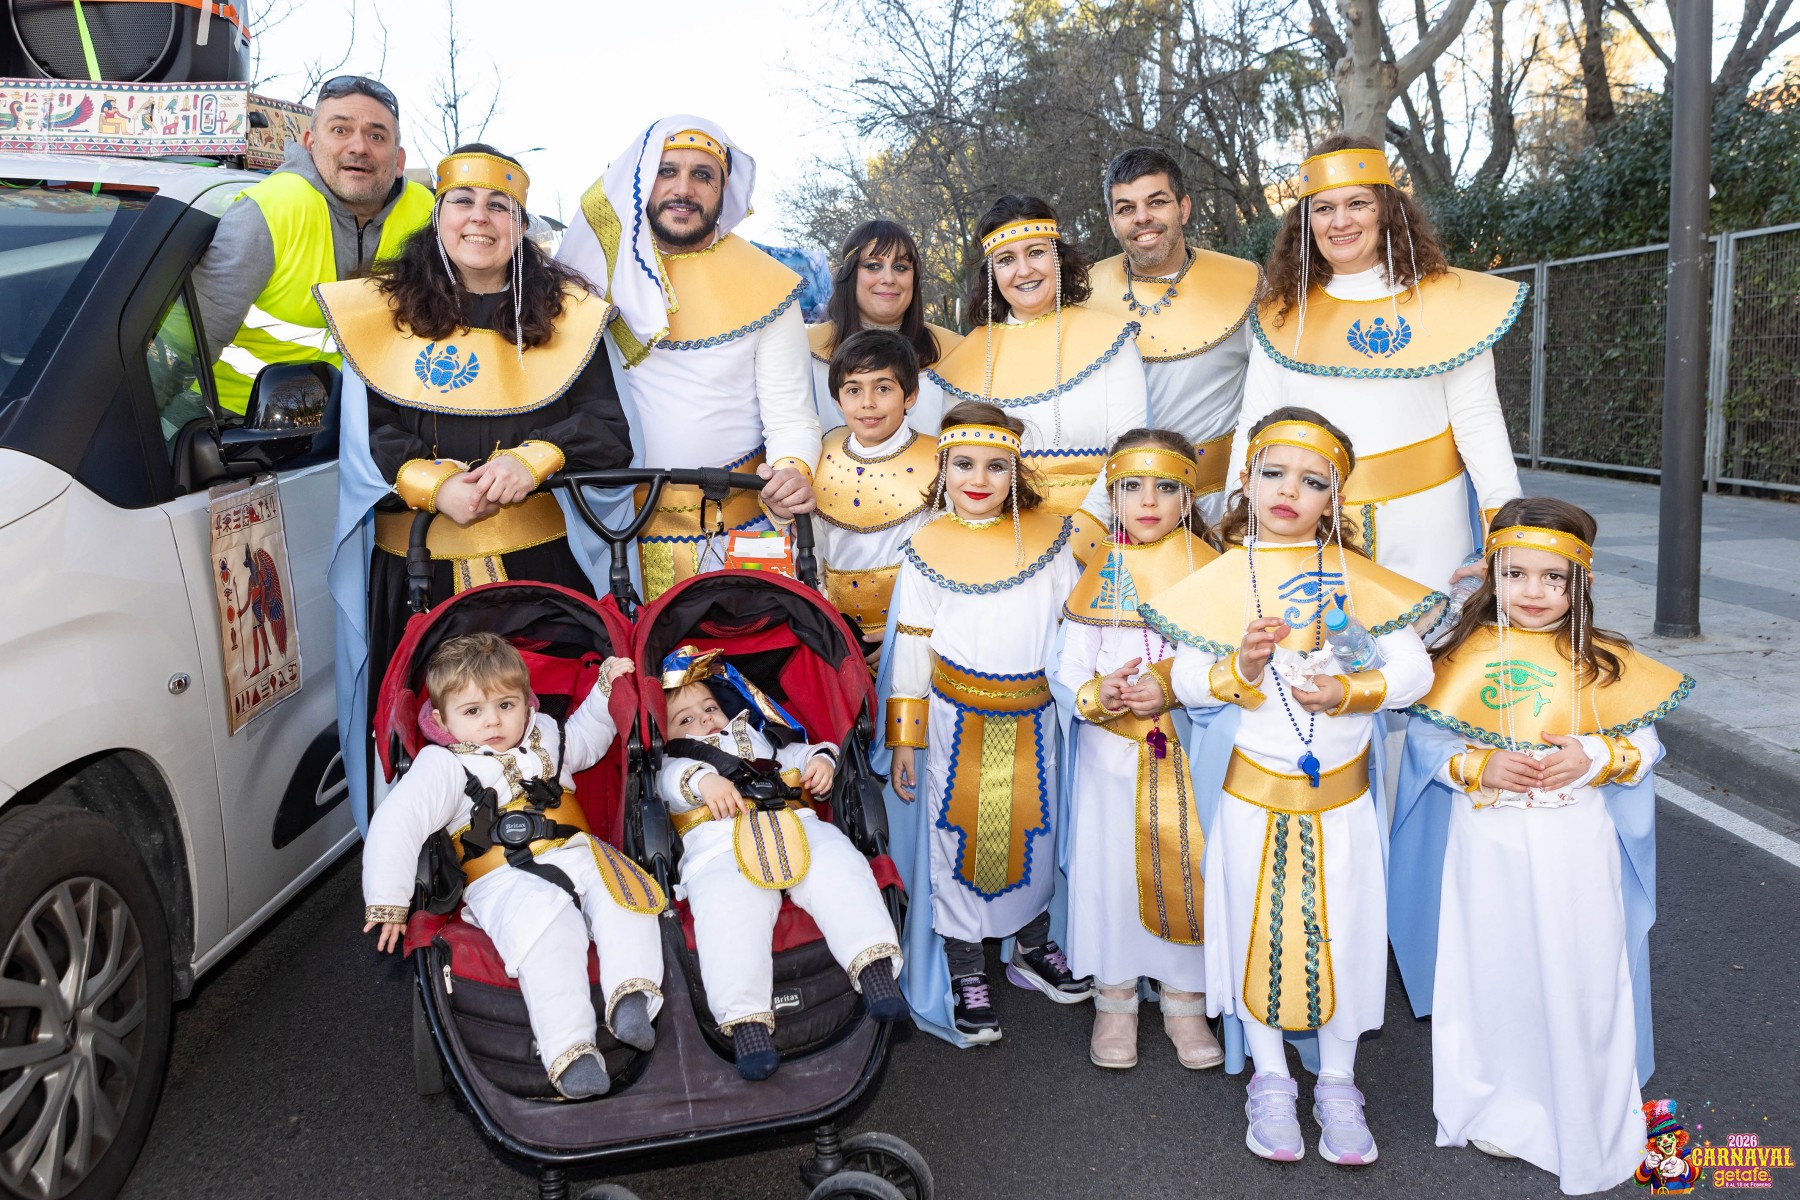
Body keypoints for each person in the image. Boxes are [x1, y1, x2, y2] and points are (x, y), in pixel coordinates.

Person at [1140, 408, 1440, 1166]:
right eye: (1273, 473)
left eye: (1311, 482)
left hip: (1342, 805)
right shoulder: (1219, 581)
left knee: (1345, 932)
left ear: (1334, 498)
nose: (1288, 491)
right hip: (1251, 801)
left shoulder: (1358, 580)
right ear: (1246, 480)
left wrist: (1350, 690)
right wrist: (1238, 666)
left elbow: (1414, 671)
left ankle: (1339, 1081)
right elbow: (1183, 678)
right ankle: (1270, 1078)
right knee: (1254, 930)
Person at [320, 144, 632, 830]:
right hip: (415, 571)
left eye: (500, 205)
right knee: (423, 737)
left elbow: (608, 429)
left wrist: (535, 460)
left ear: (522, 224)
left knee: (550, 727)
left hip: (538, 576)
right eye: (462, 201)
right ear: (438, 215)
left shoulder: (570, 316)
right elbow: (369, 432)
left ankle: (564, 858)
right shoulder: (379, 312)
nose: (480, 218)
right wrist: (434, 486)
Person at [1388, 498, 1694, 1194]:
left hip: (1575, 846)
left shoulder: (1605, 662)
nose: (1534, 591)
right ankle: (1498, 1103)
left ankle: (1582, 1110)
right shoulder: (1459, 655)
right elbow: (1430, 743)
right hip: (1486, 845)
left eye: (1553, 578)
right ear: (1491, 574)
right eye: (1516, 574)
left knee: (1578, 969)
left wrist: (1594, 756)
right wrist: (1477, 765)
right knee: (1492, 970)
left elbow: (1645, 743)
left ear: (1580, 581)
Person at [360, 633, 665, 1100]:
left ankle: (632, 997)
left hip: (575, 851)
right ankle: (571, 1051)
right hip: (502, 878)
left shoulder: (547, 736)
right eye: (473, 711)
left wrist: (605, 690)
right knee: (549, 931)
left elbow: (587, 736)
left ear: (528, 703)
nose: (493, 722)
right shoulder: (442, 765)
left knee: (626, 893)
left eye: (506, 705)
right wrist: (388, 900)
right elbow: (398, 821)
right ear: (441, 720)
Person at [1234, 134, 1524, 592]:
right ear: (1306, 222)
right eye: (1324, 208)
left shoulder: (1449, 304)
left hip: (1428, 528)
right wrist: (1239, 525)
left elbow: (1480, 422)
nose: (1341, 221)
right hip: (1307, 529)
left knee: (1430, 633)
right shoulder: (1283, 314)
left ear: (1386, 210)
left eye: (1358, 203)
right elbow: (1254, 427)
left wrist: (1509, 537)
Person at [883, 402, 1089, 1047]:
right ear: (943, 468)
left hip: (1036, 718)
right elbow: (912, 646)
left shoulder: (1051, 541)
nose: (979, 479)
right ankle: (966, 967)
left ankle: (1031, 944)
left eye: (997, 466)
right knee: (960, 839)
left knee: (1034, 833)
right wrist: (906, 740)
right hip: (956, 721)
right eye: (964, 464)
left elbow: (1073, 630)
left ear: (1016, 471)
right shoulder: (924, 549)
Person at [558, 115, 821, 601]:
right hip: (615, 539)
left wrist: (792, 472)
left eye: (702, 175)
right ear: (641, 181)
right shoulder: (592, 280)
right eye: (666, 171)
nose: (683, 188)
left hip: (738, 535)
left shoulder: (769, 284)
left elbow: (791, 415)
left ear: (724, 190)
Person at [1052, 429, 1222, 1071]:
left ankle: (1185, 1003)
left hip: (1186, 753)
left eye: (1165, 487)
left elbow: (1228, 666)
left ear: (1188, 497)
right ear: (1112, 495)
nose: (1148, 501)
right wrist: (1098, 693)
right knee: (1111, 875)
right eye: (1131, 487)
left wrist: (1172, 689)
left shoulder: (1213, 572)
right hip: (1109, 759)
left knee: (1189, 869)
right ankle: (1114, 1001)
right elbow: (1068, 667)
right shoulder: (1098, 570)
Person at [655, 646, 906, 1081]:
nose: (704, 721)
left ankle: (874, 967)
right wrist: (703, 780)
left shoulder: (752, 734)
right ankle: (747, 1022)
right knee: (728, 912)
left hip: (792, 826)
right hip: (722, 849)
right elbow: (667, 781)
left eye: (709, 708)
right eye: (685, 719)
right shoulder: (677, 761)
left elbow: (794, 753)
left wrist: (819, 760)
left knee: (840, 866)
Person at [925, 196, 1148, 563]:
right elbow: (956, 470)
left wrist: (1080, 541)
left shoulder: (1113, 341)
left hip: (1097, 547)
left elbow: (1128, 450)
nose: (1024, 270)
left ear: (1058, 257)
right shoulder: (964, 362)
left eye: (1036, 252)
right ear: (991, 273)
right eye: (1006, 259)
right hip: (997, 552)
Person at [194, 75, 434, 414]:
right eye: (340, 130)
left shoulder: (427, 214)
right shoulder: (271, 210)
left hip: (370, 425)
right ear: (310, 144)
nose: (359, 147)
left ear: (398, 161)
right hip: (237, 423)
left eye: (376, 136)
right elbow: (189, 347)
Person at [1089, 149, 1260, 522]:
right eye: (1126, 208)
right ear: (1112, 221)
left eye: (1157, 202)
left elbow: (1271, 398)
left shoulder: (1246, 285)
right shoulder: (1083, 293)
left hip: (1216, 505)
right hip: (1114, 508)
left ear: (1183, 208)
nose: (1142, 218)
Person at [812, 330, 939, 654]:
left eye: (883, 388)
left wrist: (913, 629)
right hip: (835, 637)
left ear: (910, 396)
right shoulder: (820, 456)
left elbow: (948, 559)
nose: (867, 402)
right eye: (853, 390)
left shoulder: (941, 462)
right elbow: (813, 548)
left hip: (915, 635)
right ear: (838, 400)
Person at [807, 220, 963, 434]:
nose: (888, 278)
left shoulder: (955, 351)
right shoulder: (805, 349)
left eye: (900, 267)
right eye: (873, 265)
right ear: (850, 274)